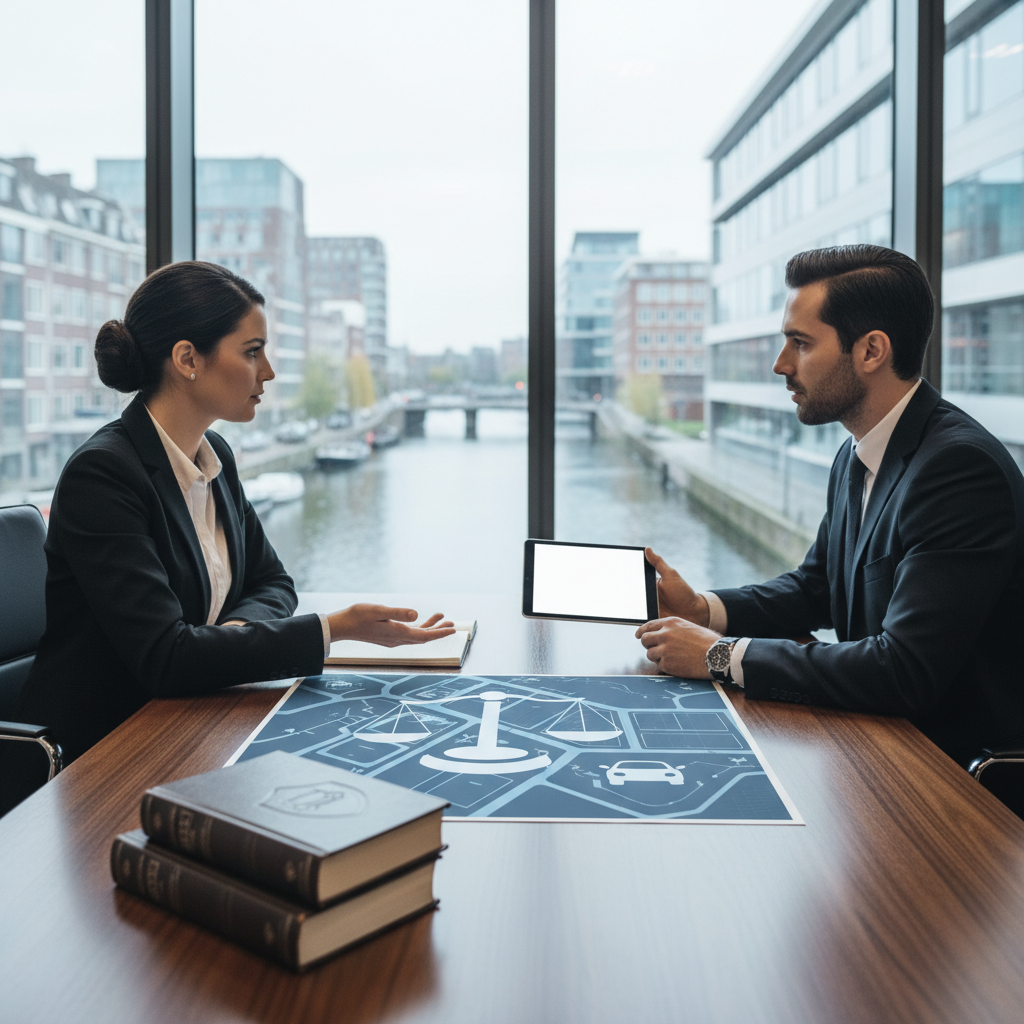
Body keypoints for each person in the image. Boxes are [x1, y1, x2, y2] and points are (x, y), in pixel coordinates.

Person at [15, 261, 455, 769]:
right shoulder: (103, 475)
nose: (268, 371)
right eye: (252, 351)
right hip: (100, 753)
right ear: (188, 359)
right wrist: (334, 628)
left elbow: (274, 582)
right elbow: (166, 657)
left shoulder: (214, 456)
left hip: (192, 722)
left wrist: (231, 636)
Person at [636, 245, 1024, 768]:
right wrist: (703, 610)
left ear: (871, 351)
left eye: (800, 343)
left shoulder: (959, 470)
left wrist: (718, 655)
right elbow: (817, 587)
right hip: (877, 746)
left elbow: (904, 670)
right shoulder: (856, 453)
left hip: (950, 776)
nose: (780, 365)